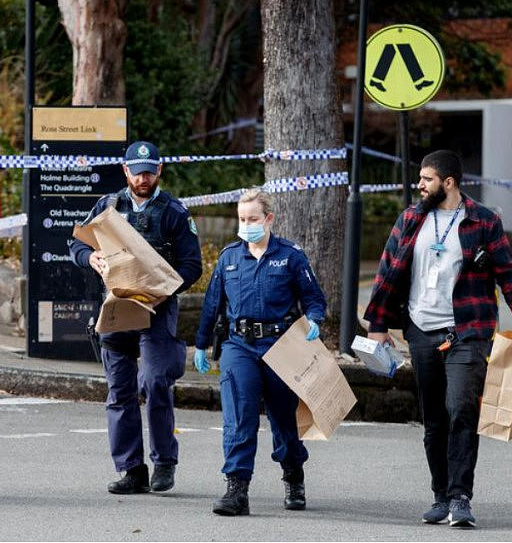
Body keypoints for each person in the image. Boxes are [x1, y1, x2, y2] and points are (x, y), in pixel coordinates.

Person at [363, 149, 512, 528]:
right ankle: (440, 495)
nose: (420, 184)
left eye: (427, 179)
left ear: (448, 182)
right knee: (434, 420)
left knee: (461, 409)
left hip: (468, 330)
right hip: (422, 330)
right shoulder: (411, 219)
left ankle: (461, 497)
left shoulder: (484, 221)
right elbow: (386, 272)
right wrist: (377, 324)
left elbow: (508, 274)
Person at [70, 141, 203, 495]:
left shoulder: (174, 211)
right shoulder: (108, 205)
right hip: (116, 309)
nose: (143, 177)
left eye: (149, 170)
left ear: (159, 171)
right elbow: (78, 243)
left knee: (157, 381)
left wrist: (160, 288)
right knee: (120, 391)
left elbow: (193, 266)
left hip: (157, 310)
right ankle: (131, 469)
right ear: (125, 171)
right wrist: (90, 259)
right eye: (137, 170)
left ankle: (164, 463)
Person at [193, 188, 327, 516]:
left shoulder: (290, 256)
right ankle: (236, 488)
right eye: (241, 219)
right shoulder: (229, 258)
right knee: (239, 417)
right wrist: (200, 344)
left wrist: (315, 318)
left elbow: (313, 297)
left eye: (253, 218)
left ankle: (293, 474)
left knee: (284, 418)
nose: (246, 224)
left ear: (268, 219)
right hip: (239, 345)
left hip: (280, 346)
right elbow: (213, 303)